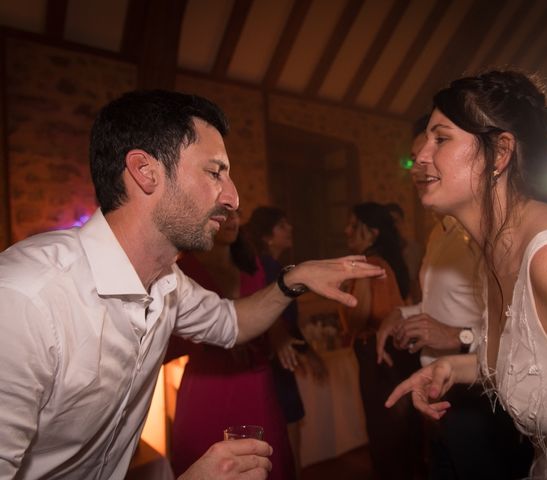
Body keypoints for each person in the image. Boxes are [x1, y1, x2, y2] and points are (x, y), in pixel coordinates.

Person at [0, 89, 385, 480]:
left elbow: (233, 323)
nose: (233, 197)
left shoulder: (168, 283)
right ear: (145, 171)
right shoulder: (25, 300)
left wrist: (292, 279)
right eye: (215, 171)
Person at [386, 70, 547, 480]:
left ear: (500, 153)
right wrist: (455, 368)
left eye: (441, 138)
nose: (420, 158)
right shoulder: (498, 255)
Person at [377, 117, 532, 479]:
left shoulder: (492, 235)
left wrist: (458, 337)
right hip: (436, 385)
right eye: (413, 157)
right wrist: (400, 312)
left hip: (481, 392)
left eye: (436, 147)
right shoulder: (440, 232)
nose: (418, 165)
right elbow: (439, 303)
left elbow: (521, 328)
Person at [167, 210, 295, 479]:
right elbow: (171, 330)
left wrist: (279, 335)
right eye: (221, 214)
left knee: (265, 459)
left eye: (235, 215)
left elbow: (269, 314)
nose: (232, 220)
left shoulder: (253, 266)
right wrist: (216, 339)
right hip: (209, 383)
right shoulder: (184, 270)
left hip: (255, 379)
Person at [341, 202, 425, 480]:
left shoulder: (368, 266)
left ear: (373, 232)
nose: (347, 231)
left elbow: (357, 318)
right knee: (401, 429)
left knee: (383, 432)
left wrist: (340, 294)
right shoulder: (390, 260)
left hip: (375, 351)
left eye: (354, 226)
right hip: (396, 348)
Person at [245, 206, 327, 479]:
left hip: (280, 362)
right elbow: (274, 318)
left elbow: (288, 325)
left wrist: (308, 351)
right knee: (286, 439)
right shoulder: (266, 267)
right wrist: (306, 352)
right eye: (282, 225)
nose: (289, 229)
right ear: (268, 235)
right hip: (273, 363)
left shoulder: (275, 266)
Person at [385, 202, 425, 303]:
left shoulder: (415, 249)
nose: (393, 226)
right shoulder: (380, 252)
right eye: (388, 222)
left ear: (402, 222)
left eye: (395, 221)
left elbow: (418, 280)